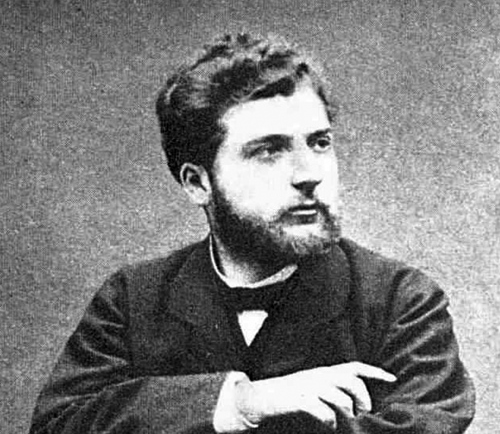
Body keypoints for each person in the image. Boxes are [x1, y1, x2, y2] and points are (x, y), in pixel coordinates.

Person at [29, 33, 475, 434]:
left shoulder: (402, 302)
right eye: (268, 150)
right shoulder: (132, 299)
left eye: (319, 142)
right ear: (197, 183)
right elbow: (59, 424)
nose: (309, 174)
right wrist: (240, 403)